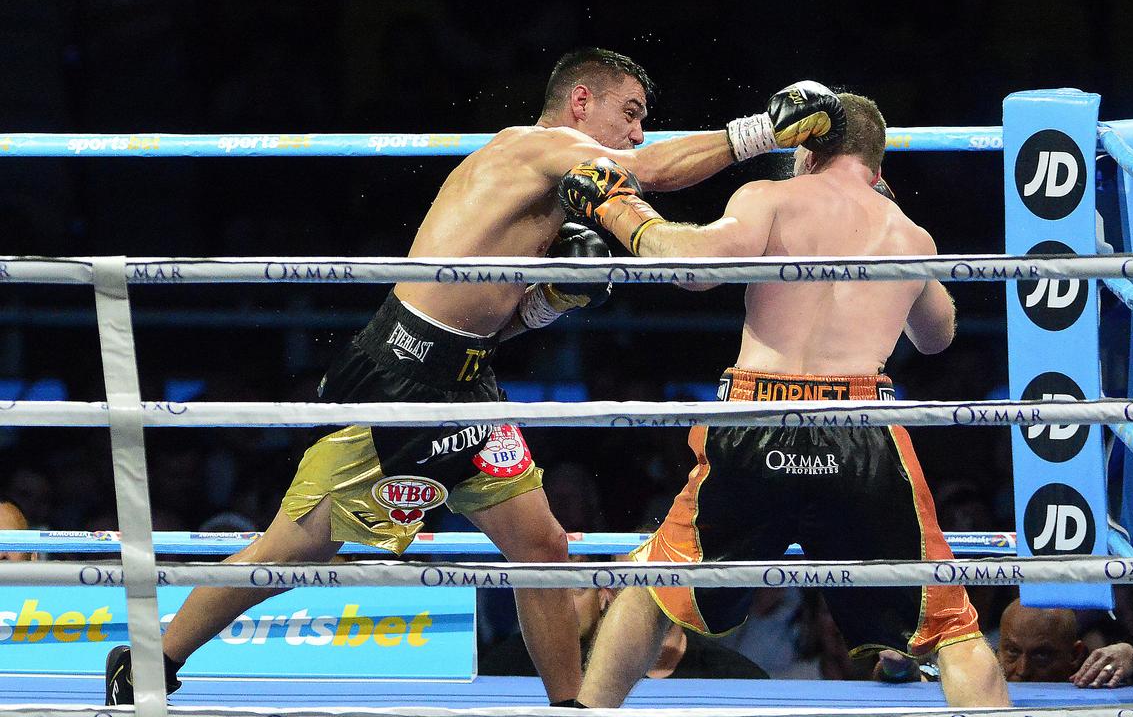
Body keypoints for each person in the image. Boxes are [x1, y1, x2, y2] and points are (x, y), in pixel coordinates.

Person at [105, 47, 844, 706]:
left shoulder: (555, 193)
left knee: (543, 546)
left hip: (464, 377)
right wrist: (761, 132)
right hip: (402, 372)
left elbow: (505, 318)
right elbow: (644, 172)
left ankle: (571, 706)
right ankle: (151, 658)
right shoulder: (539, 146)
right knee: (297, 546)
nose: (638, 132)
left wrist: (552, 301)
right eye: (630, 112)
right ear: (580, 103)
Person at [559, 90, 1010, 707]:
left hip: (759, 416)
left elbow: (692, 267)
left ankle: (588, 711)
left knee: (653, 587)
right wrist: (900, 243)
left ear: (805, 147)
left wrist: (617, 209)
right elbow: (937, 338)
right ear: (877, 167)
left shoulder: (768, 198)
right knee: (952, 630)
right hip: (862, 427)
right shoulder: (910, 235)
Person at [481, 557, 767, 680]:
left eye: (659, 580)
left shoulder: (736, 677)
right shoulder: (523, 664)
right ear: (606, 594)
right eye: (629, 582)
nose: (645, 595)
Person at [997, 598, 1133, 687]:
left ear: (1076, 654)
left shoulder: (1099, 686)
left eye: (1041, 655)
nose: (1023, 670)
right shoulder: (977, 687)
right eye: (1012, 651)